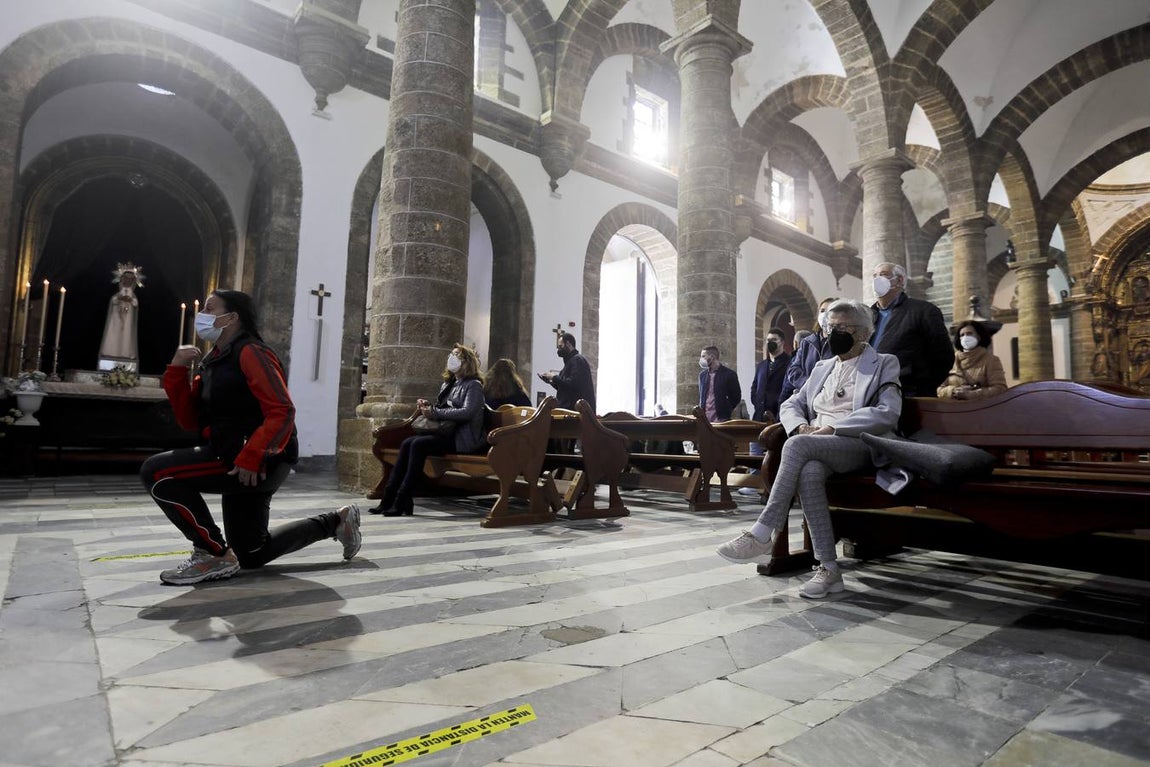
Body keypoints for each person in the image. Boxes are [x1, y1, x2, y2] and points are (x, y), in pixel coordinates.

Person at [139, 289, 360, 586]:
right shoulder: (214, 359)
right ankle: (337, 521)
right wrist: (177, 371)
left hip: (260, 458)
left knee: (157, 470)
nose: (202, 315)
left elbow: (281, 410)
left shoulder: (252, 352)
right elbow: (190, 420)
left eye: (209, 308)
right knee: (252, 553)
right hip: (233, 453)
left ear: (232, 317)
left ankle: (212, 553)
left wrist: (253, 456)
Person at [716, 299, 902, 599]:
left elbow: (887, 413)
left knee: (799, 445)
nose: (832, 333)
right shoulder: (822, 366)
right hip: (817, 445)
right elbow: (792, 403)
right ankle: (829, 569)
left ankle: (763, 531)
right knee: (809, 473)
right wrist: (801, 425)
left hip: (859, 443)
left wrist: (833, 428)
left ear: (864, 332)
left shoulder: (883, 363)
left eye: (842, 327)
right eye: (829, 327)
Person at [374, 344, 486, 517]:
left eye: (456, 355)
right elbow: (443, 408)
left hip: (461, 438)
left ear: (466, 362)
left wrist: (434, 412)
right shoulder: (448, 384)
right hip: (445, 433)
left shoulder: (474, 385)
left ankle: (403, 498)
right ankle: (388, 498)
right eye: (451, 353)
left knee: (418, 444)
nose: (451, 357)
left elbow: (467, 412)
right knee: (407, 443)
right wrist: (427, 407)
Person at [869, 262, 954, 397]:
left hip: (907, 393)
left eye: (883, 275)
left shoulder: (923, 311)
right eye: (875, 276)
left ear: (900, 280)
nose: (876, 280)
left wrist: (920, 387)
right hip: (870, 391)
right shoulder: (868, 314)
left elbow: (944, 356)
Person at [780, 296, 838, 403]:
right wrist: (810, 386)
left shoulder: (841, 342)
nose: (825, 314)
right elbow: (793, 370)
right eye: (822, 311)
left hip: (829, 399)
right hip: (805, 398)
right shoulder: (807, 342)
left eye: (830, 310)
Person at [937, 321, 1007, 400]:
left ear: (979, 336)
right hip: (954, 410)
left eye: (969, 333)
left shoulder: (991, 360)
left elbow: (1000, 389)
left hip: (978, 409)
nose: (965, 337)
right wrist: (953, 391)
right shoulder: (951, 360)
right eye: (962, 335)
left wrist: (971, 394)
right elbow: (939, 389)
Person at [99, 263, 143, 370]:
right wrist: (119, 298)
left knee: (126, 336)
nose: (128, 281)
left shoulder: (132, 294)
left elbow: (135, 303)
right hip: (116, 318)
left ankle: (125, 354)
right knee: (114, 333)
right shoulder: (118, 293)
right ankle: (111, 352)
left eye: (130, 279)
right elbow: (113, 300)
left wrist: (130, 300)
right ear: (122, 279)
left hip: (127, 319)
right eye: (126, 278)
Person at [538, 332, 595, 411]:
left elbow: (572, 384)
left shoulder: (577, 360)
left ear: (568, 343)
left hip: (576, 411)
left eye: (560, 346)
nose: (558, 350)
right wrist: (550, 381)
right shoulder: (569, 362)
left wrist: (554, 377)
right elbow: (565, 388)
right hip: (569, 409)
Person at [750, 327, 791, 423]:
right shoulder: (762, 365)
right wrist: (757, 403)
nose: (770, 342)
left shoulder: (790, 363)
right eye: (768, 340)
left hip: (778, 416)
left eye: (774, 340)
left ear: (782, 342)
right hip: (759, 416)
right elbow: (754, 387)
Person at [698, 345, 741, 422]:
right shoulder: (702, 375)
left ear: (712, 357)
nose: (701, 359)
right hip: (704, 419)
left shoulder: (729, 374)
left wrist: (726, 409)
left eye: (703, 356)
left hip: (721, 419)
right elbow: (702, 396)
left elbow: (736, 396)